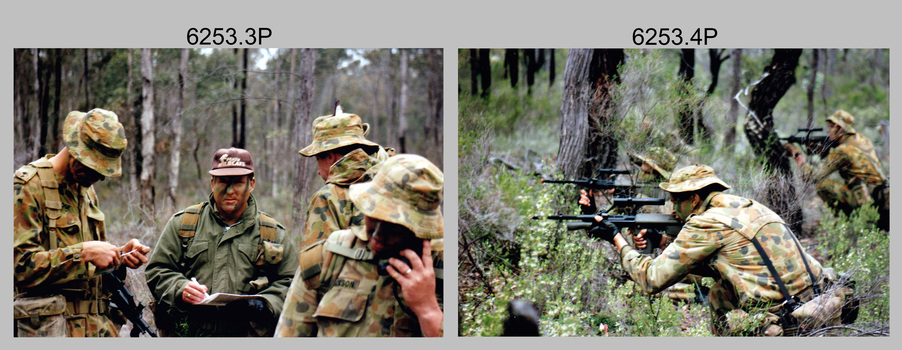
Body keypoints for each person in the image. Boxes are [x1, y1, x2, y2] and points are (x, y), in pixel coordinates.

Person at [592, 165, 827, 336]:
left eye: (675, 201)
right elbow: (729, 262)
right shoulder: (745, 206)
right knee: (721, 288)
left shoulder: (705, 222)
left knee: (719, 292)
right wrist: (663, 241)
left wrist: (616, 237)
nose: (673, 209)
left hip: (786, 316)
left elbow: (651, 279)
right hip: (819, 298)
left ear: (694, 199)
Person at [14, 109, 151, 337]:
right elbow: (19, 268)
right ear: (75, 153)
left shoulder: (86, 190)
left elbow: (87, 269)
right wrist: (83, 253)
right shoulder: (28, 186)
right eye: (95, 167)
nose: (101, 176)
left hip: (96, 329)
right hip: (52, 330)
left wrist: (119, 256)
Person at [275, 154, 443, 337]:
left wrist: (427, 311)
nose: (377, 236)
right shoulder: (331, 255)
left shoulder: (440, 269)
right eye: (372, 216)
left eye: (392, 228)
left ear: (419, 228)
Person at [146, 148, 298, 336]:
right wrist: (181, 288)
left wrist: (264, 304)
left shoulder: (272, 233)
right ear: (212, 183)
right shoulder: (184, 224)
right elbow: (158, 270)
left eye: (238, 182)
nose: (230, 190)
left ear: (252, 184)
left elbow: (290, 282)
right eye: (223, 182)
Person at [296, 110, 394, 250]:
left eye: (318, 160)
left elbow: (314, 265)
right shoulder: (395, 185)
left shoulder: (327, 197)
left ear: (330, 157)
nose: (318, 171)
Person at [785, 110, 889, 230]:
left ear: (841, 129)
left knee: (822, 186)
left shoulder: (842, 150)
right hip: (880, 193)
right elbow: (852, 162)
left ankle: (848, 224)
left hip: (866, 198)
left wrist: (797, 155)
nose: (828, 132)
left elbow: (811, 176)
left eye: (832, 128)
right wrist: (823, 152)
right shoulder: (862, 140)